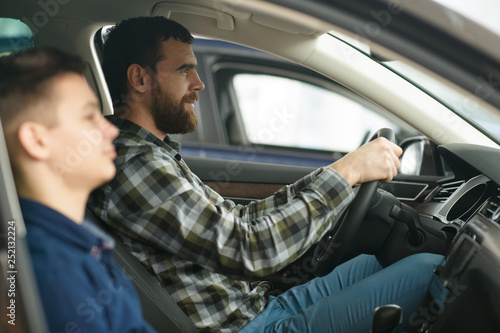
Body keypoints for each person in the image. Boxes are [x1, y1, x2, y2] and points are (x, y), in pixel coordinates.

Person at [88, 16, 444, 333]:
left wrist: (339, 176)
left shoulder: (154, 153)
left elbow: (240, 219)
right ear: (139, 78)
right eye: (184, 70)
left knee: (380, 260)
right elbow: (250, 248)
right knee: (433, 270)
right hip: (253, 325)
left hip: (259, 305)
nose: (199, 83)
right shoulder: (136, 165)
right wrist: (347, 173)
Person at [0, 47, 157, 332]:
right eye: (88, 117)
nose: (111, 130)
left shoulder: (75, 240)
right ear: (36, 140)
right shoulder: (52, 273)